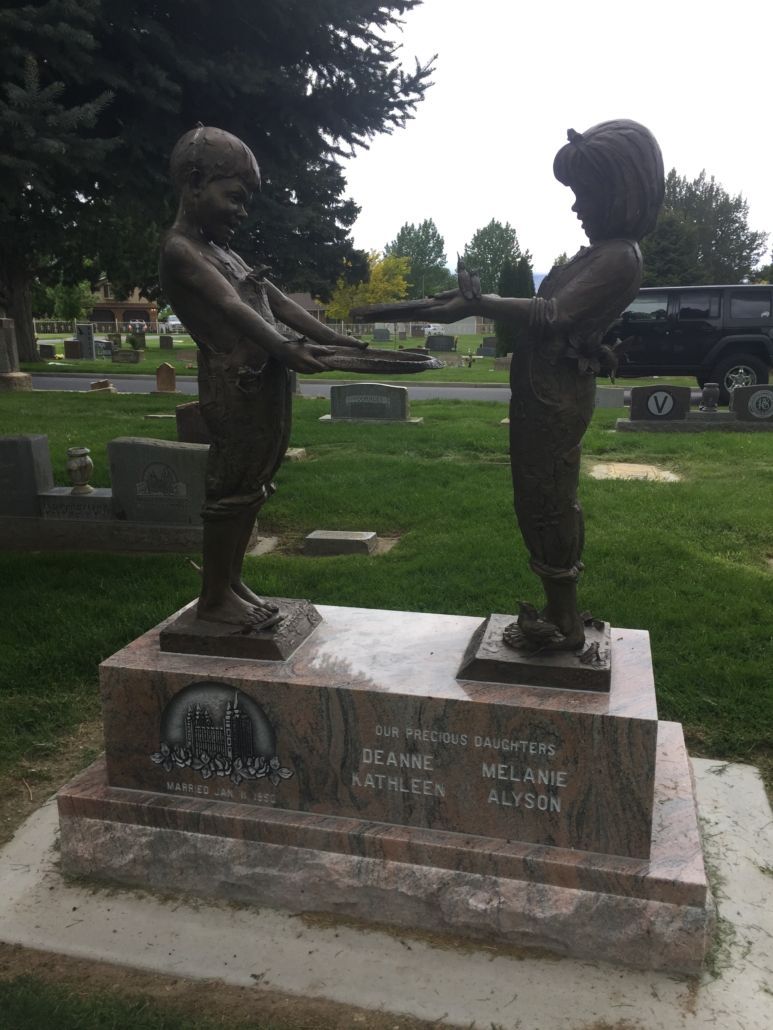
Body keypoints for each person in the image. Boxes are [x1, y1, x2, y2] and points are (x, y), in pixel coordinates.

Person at [362, 120, 664, 653]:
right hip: (543, 390)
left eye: (584, 195)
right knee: (538, 498)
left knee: (547, 497)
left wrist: (478, 304)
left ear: (620, 193)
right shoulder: (598, 254)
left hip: (555, 398)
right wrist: (451, 303)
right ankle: (557, 608)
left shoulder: (621, 256)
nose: (576, 208)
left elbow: (552, 314)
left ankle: (566, 622)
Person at [160, 125, 364, 631]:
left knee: (254, 486)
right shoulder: (182, 250)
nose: (242, 211)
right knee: (230, 488)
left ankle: (231, 584)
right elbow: (230, 305)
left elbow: (278, 303)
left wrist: (343, 342)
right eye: (233, 197)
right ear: (193, 183)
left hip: (264, 382)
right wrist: (284, 348)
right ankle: (212, 599)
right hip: (233, 388)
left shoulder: (226, 252)